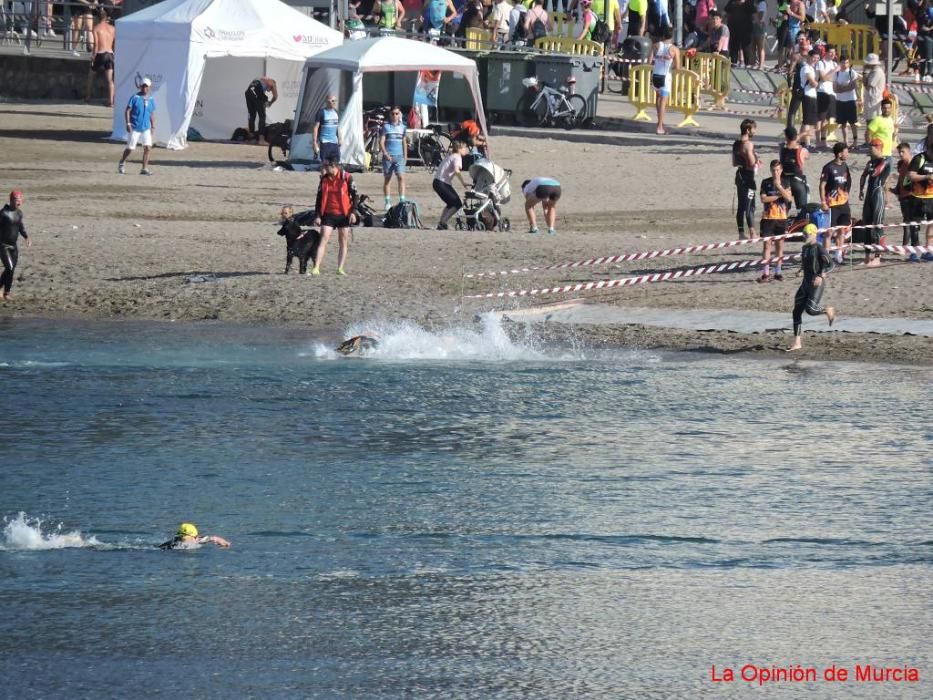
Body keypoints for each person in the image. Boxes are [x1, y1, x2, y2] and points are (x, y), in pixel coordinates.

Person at [787, 223, 836, 352]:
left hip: (816, 283)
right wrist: (800, 270)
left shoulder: (819, 248)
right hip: (805, 283)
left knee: (811, 310)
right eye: (803, 234)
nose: (804, 236)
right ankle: (797, 343)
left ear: (813, 234)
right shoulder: (804, 248)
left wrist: (821, 276)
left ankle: (827, 310)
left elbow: (831, 264)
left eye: (806, 234)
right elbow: (805, 263)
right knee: (796, 311)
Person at [311, 157, 359, 276]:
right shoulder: (324, 180)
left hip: (343, 214)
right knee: (323, 238)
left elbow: (356, 196)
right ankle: (316, 267)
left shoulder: (347, 177)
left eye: (326, 167)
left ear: (334, 166)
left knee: (343, 240)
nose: (324, 169)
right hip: (328, 214)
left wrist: (353, 212)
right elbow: (319, 198)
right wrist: (317, 215)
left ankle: (340, 268)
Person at [758, 160, 794, 282]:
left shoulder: (785, 182)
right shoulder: (765, 182)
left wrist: (779, 187)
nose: (776, 172)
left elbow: (789, 198)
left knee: (780, 245)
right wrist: (779, 196)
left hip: (781, 218)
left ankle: (778, 272)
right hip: (768, 218)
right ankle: (765, 273)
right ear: (770, 170)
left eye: (778, 170)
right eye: (773, 170)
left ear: (781, 170)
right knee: (767, 246)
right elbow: (763, 199)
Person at [857, 138, 890, 267]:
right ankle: (867, 256)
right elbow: (863, 175)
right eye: (870, 147)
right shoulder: (871, 161)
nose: (870, 149)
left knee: (877, 225)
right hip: (869, 195)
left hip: (878, 194)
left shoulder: (886, 160)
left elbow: (877, 172)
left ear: (879, 147)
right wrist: (860, 190)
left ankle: (878, 256)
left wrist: (869, 170)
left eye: (872, 147)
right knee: (866, 225)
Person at [819, 142, 852, 263]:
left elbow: (848, 182)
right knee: (829, 232)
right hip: (832, 205)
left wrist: (846, 194)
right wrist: (823, 201)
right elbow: (822, 185)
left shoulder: (845, 166)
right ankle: (825, 256)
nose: (847, 154)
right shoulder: (828, 167)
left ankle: (838, 255)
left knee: (842, 230)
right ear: (839, 154)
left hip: (844, 204)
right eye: (845, 151)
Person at [118, 77, 156, 176]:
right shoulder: (134, 97)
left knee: (147, 148)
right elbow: (127, 110)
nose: (144, 88)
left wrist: (153, 126)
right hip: (135, 127)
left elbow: (151, 113)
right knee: (130, 148)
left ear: (149, 87)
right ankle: (122, 161)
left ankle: (144, 168)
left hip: (146, 128)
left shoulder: (151, 99)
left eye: (146, 86)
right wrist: (128, 123)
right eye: (143, 86)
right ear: (140, 86)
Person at [892, 141, 921, 259]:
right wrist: (896, 190)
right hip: (903, 197)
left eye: (903, 152)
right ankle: (906, 247)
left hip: (913, 196)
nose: (900, 154)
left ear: (909, 151)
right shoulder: (902, 164)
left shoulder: (914, 164)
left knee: (913, 224)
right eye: (899, 152)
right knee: (906, 222)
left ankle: (912, 249)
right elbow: (901, 179)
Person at [732, 118, 760, 240]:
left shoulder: (736, 144)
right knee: (750, 206)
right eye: (754, 129)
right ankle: (753, 233)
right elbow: (752, 163)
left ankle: (741, 233)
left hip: (739, 175)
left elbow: (734, 163)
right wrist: (757, 162)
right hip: (748, 177)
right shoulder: (748, 144)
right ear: (748, 130)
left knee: (741, 206)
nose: (755, 131)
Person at [0, 190, 30, 301]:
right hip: (3, 245)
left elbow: (20, 227)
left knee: (11, 270)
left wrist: (26, 237)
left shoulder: (19, 213)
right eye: (16, 200)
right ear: (11, 200)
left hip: (14, 246)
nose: (19, 202)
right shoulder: (3, 213)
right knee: (9, 267)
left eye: (20, 200)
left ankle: (6, 293)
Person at [907, 136, 933, 260]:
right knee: (915, 226)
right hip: (917, 197)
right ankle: (914, 252)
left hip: (932, 197)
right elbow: (911, 175)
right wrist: (926, 177)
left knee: (931, 224)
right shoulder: (919, 158)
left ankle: (928, 250)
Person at [433, 140, 470, 229]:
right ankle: (442, 223)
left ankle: (441, 223)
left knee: (451, 203)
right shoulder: (457, 157)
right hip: (442, 183)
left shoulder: (451, 154)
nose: (466, 150)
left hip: (437, 182)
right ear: (459, 149)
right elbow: (457, 170)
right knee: (457, 204)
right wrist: (463, 183)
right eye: (465, 148)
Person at [649, 26, 678, 135]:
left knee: (658, 99)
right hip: (666, 76)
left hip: (656, 74)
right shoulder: (674, 49)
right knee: (663, 102)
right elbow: (678, 66)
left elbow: (649, 61)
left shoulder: (655, 46)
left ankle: (659, 123)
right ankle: (660, 126)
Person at [85, 8, 115, 107]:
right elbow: (114, 44)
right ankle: (111, 101)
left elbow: (96, 45)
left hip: (100, 53)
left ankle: (88, 97)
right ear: (106, 17)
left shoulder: (96, 28)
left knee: (91, 75)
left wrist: (93, 56)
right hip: (110, 54)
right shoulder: (112, 28)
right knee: (110, 79)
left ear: (97, 18)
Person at [380, 106, 408, 211]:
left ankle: (402, 200)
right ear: (390, 115)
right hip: (388, 157)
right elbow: (382, 141)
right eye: (393, 114)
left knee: (401, 177)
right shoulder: (386, 127)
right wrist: (385, 154)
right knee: (387, 179)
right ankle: (387, 202)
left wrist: (405, 155)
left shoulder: (403, 127)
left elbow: (404, 142)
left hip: (399, 156)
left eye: (397, 113)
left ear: (400, 114)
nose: (395, 116)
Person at [779, 126, 810, 214]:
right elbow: (808, 155)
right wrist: (804, 136)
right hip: (797, 181)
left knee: (783, 209)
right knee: (802, 210)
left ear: (786, 137)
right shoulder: (801, 150)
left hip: (784, 181)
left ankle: (783, 226)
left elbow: (790, 140)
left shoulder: (782, 148)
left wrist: (801, 135)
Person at [833, 55, 860, 148]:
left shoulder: (852, 73)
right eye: (843, 62)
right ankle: (845, 142)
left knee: (853, 122)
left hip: (850, 99)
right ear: (840, 63)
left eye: (847, 62)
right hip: (840, 100)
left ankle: (855, 141)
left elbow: (853, 86)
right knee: (843, 123)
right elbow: (835, 88)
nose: (845, 64)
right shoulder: (836, 74)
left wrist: (842, 88)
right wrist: (844, 88)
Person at [814, 45, 838, 148]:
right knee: (820, 118)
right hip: (822, 91)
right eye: (830, 52)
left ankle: (823, 141)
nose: (832, 54)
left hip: (832, 93)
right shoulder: (821, 63)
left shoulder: (834, 63)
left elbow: (835, 80)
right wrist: (834, 71)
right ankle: (817, 141)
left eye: (834, 52)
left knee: (827, 119)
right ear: (826, 52)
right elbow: (823, 78)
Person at [244, 76, 278, 142]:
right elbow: (275, 96)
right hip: (256, 90)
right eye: (270, 90)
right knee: (262, 116)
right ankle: (261, 139)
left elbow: (253, 88)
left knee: (252, 115)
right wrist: (270, 103)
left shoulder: (261, 79)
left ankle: (251, 137)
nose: (269, 91)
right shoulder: (272, 83)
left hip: (248, 92)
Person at [799, 49, 820, 149]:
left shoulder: (811, 68)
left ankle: (801, 140)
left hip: (812, 95)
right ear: (809, 57)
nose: (815, 60)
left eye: (817, 58)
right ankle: (807, 143)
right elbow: (812, 82)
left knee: (806, 121)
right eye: (814, 57)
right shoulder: (806, 68)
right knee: (808, 121)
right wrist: (817, 83)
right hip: (807, 95)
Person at [313, 95, 341, 163]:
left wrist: (340, 138)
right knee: (325, 164)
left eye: (335, 101)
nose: (334, 103)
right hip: (325, 142)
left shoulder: (336, 112)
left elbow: (338, 127)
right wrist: (314, 142)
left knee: (335, 164)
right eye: (333, 101)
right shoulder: (321, 112)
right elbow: (316, 127)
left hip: (334, 142)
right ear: (327, 102)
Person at [159, 522, 230, 550]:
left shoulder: (197, 540)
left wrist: (225, 543)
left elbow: (214, 538)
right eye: (184, 537)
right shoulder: (171, 545)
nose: (186, 539)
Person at [861, 53, 885, 124]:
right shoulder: (873, 72)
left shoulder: (878, 72)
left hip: (874, 101)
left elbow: (867, 85)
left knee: (872, 124)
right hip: (870, 100)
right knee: (869, 121)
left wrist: (864, 72)